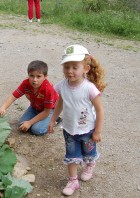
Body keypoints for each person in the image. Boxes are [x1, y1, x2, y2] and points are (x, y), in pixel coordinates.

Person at [48, 44, 107, 196]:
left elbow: (100, 110)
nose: (70, 71)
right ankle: (73, 181)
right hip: (69, 129)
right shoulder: (62, 86)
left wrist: (97, 132)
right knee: (71, 156)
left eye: (75, 67)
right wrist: (52, 119)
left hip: (87, 130)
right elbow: (60, 102)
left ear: (86, 68)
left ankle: (90, 164)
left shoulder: (89, 88)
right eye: (66, 67)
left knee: (89, 152)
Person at [0, 60, 59, 135]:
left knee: (36, 130)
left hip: (49, 111)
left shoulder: (48, 89)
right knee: (21, 125)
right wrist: (3, 107)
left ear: (45, 77)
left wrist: (30, 122)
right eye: (31, 76)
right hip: (34, 107)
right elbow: (13, 97)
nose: (34, 80)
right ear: (28, 75)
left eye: (38, 76)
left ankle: (54, 120)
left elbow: (46, 112)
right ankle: (39, 120)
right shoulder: (26, 84)